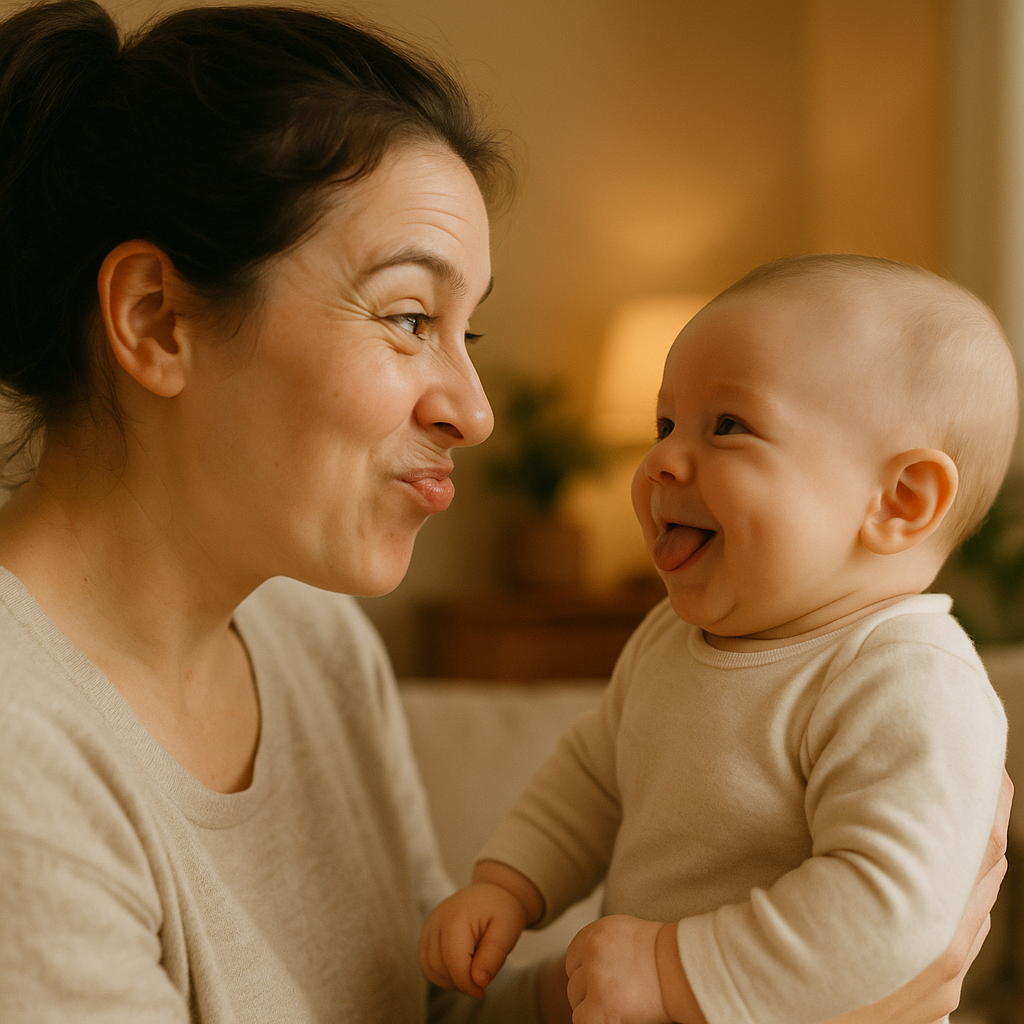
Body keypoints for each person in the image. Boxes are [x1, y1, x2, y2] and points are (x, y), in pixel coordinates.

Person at [0, 0, 1008, 1020]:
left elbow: (422, 1010)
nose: (473, 413)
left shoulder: (312, 643)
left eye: (466, 335)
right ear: (154, 319)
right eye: (407, 317)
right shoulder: (20, 763)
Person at [420, 255, 1018, 1024]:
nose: (662, 458)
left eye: (728, 426)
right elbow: (593, 776)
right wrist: (508, 884)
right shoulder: (670, 636)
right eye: (665, 425)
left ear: (899, 501)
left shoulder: (907, 679)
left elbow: (891, 909)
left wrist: (671, 970)